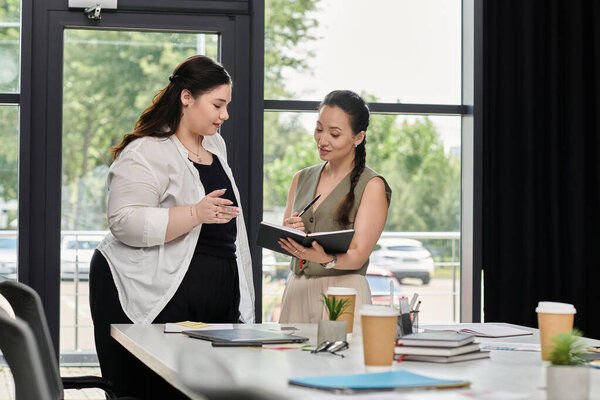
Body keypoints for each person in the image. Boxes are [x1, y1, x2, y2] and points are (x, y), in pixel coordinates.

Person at [89, 55, 255, 399]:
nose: (224, 115)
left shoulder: (215, 145)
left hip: (216, 293)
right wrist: (195, 213)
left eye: (226, 106)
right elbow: (124, 221)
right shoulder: (146, 151)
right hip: (160, 290)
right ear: (186, 98)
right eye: (218, 105)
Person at [278, 90, 392, 323]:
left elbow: (359, 255)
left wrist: (326, 259)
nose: (323, 140)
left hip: (343, 291)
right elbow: (286, 232)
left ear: (358, 138)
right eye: (319, 129)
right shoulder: (301, 178)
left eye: (334, 134)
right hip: (297, 289)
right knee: (291, 358)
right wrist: (292, 230)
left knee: (343, 358)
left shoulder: (371, 185)